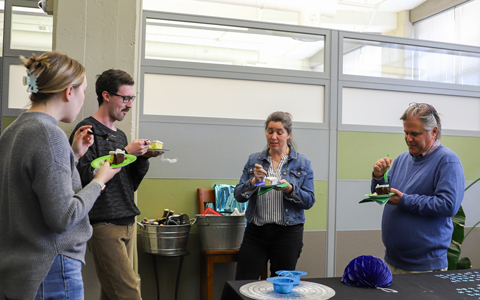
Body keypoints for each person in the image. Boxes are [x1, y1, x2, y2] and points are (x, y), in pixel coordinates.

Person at [0, 52, 120, 300]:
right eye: (83, 91)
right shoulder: (48, 135)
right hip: (50, 266)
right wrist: (100, 180)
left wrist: (73, 156)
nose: (82, 99)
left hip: (19, 268)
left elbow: (33, 189)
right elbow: (63, 217)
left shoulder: (14, 130)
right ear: (69, 92)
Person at [69, 69, 160, 300]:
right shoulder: (86, 131)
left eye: (132, 98)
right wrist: (125, 152)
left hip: (127, 220)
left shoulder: (119, 135)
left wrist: (142, 159)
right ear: (107, 96)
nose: (129, 105)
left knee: (112, 294)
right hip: (104, 224)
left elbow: (128, 184)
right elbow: (82, 177)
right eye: (125, 98)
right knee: (128, 293)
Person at [371, 102, 464, 274]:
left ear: (434, 132)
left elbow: (448, 205)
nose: (408, 138)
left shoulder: (448, 161)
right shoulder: (401, 159)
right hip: (392, 261)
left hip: (425, 268)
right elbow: (382, 198)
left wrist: (405, 200)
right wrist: (378, 177)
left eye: (415, 134)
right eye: (406, 132)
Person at [233, 111, 315, 280]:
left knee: (281, 286)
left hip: (288, 233)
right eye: (270, 131)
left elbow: (309, 200)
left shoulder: (302, 162)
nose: (274, 136)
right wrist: (254, 181)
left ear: (288, 134)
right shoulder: (254, 160)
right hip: (256, 232)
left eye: (279, 132)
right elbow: (238, 195)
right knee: (243, 283)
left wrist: (290, 189)